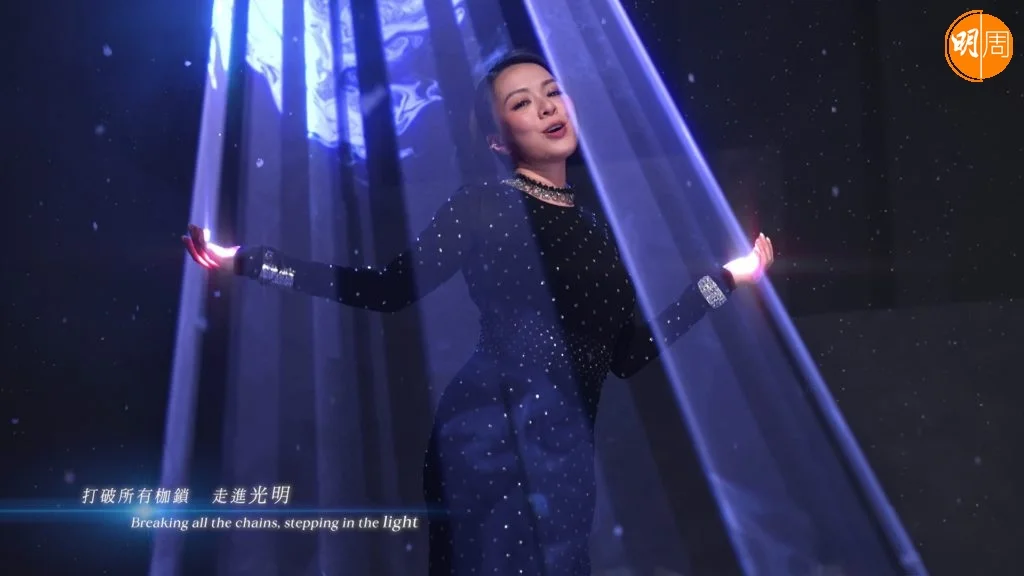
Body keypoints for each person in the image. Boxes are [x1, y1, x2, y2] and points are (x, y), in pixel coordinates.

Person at [183, 50, 774, 575]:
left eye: (552, 91)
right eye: (522, 102)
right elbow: (388, 289)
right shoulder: (484, 207)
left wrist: (725, 280)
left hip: (566, 458)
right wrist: (255, 262)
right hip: (489, 442)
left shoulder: (596, 230)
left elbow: (627, 355)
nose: (547, 107)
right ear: (496, 139)